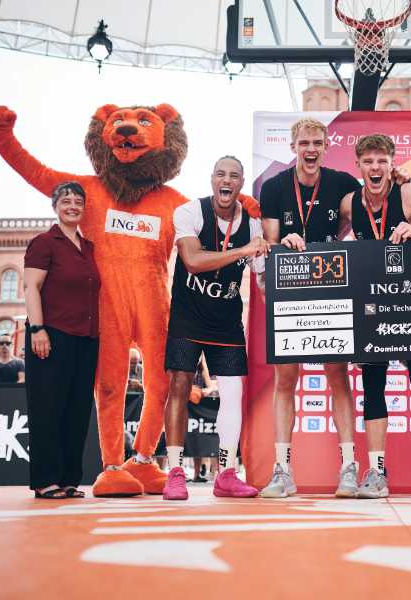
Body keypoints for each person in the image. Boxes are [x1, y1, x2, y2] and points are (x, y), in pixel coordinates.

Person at [336, 133, 411, 500]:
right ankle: (375, 471)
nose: (375, 168)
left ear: (391, 162)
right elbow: (331, 245)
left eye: (381, 161)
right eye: (368, 161)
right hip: (371, 300)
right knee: (373, 384)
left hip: (410, 298)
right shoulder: (349, 204)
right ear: (359, 166)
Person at [258, 117, 364, 498]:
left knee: (338, 376)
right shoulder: (273, 187)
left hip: (332, 283)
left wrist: (396, 182)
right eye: (304, 142)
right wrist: (283, 238)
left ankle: (349, 467)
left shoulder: (343, 183)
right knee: (286, 379)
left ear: (326, 145)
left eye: (318, 142)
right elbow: (268, 242)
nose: (311, 149)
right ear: (293, 146)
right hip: (289, 287)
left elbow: (371, 209)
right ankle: (282, 470)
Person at [162, 156, 269, 500]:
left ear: (240, 184)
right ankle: (175, 471)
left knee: (233, 393)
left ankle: (226, 472)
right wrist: (244, 250)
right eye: (220, 173)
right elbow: (192, 261)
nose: (226, 180)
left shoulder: (253, 225)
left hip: (226, 319)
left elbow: (263, 275)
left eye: (234, 176)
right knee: (179, 384)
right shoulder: (191, 212)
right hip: (188, 314)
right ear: (212, 179)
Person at [23, 182, 101, 499]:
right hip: (52, 335)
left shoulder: (89, 248)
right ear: (55, 206)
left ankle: (69, 478)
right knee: (48, 409)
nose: (72, 206)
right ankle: (45, 480)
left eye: (78, 201)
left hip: (86, 339)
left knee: (77, 411)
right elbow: (31, 288)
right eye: (65, 200)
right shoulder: (44, 243)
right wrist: (36, 329)